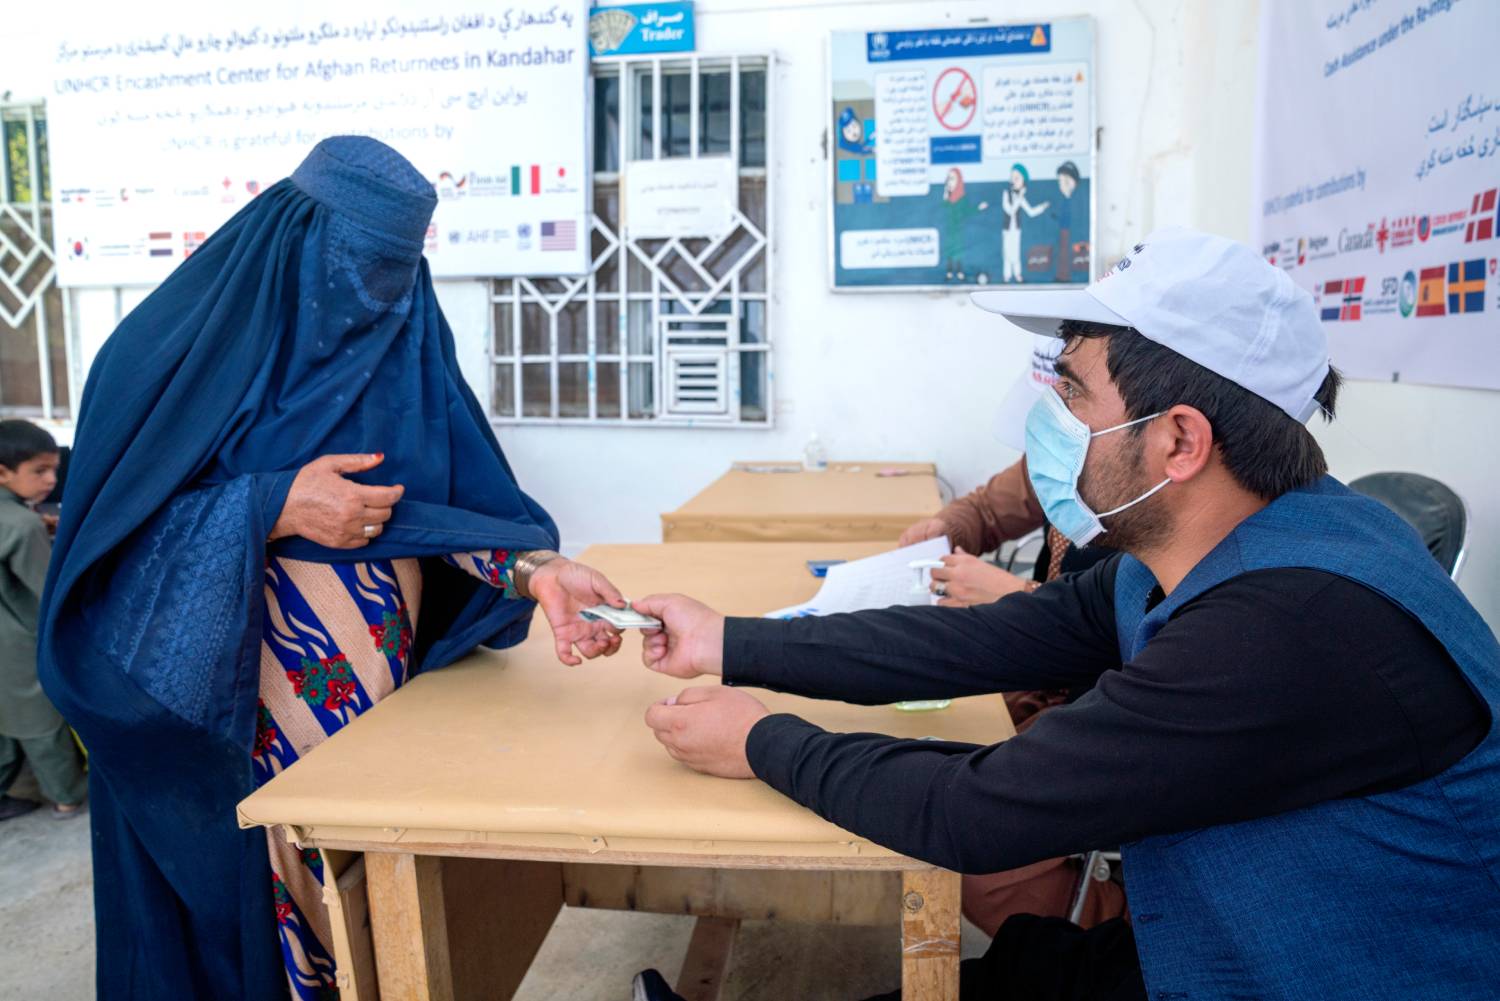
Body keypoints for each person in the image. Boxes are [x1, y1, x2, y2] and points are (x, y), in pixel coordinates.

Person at [630, 229, 1500, 1000]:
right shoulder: (1216, 541)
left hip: (1325, 968)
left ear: (1181, 441)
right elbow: (981, 640)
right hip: (1241, 926)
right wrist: (727, 640)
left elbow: (975, 812)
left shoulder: (1287, 628)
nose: (1049, 418)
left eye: (1075, 393)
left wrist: (759, 740)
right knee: (1022, 969)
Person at [38, 137, 628, 1001]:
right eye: (359, 264)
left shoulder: (406, 342)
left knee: (381, 930)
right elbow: (102, 555)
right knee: (264, 937)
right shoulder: (162, 355)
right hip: (232, 735)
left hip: (381, 724)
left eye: (398, 267)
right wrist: (269, 506)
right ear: (296, 241)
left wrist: (537, 569)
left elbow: (443, 502)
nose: (373, 293)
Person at [899, 459, 1126, 934]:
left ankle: (1123, 939)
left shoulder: (1157, 476)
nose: (1060, 405)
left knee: (983, 856)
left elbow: (1167, 618)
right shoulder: (1070, 447)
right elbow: (987, 508)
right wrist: (946, 527)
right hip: (1050, 672)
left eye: (1074, 390)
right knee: (924, 725)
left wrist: (1022, 596)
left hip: (1115, 698)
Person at [0, 420, 85, 822]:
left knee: (6, 718)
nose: (52, 480)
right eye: (39, 471)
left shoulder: (17, 516)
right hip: (16, 642)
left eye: (54, 469)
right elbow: (47, 589)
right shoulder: (23, 525)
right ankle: (66, 797)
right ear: (2, 472)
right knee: (42, 722)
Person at [1000, 163, 1048, 283]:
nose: (1014, 181)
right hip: (1006, 230)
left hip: (1016, 229)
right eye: (1012, 178)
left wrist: (1042, 207)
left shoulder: (1019, 196)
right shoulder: (1006, 194)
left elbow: (1030, 212)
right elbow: (1010, 210)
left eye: (1017, 178)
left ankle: (1017, 274)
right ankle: (1007, 276)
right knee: (1007, 254)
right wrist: (1020, 196)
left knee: (1015, 253)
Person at [1053, 161, 1081, 283]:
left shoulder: (1079, 199)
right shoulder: (1063, 199)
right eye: (1061, 181)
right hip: (1063, 231)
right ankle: (1062, 275)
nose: (1063, 185)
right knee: (1062, 254)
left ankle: (1067, 275)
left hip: (1072, 233)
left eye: (1067, 181)